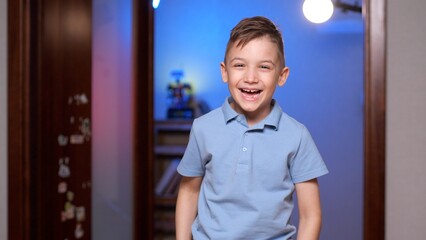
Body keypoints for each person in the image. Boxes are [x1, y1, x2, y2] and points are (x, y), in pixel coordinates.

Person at [175, 16, 329, 240]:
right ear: (224, 71)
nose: (250, 78)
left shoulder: (297, 136)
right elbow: (189, 191)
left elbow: (310, 214)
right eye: (239, 65)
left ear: (282, 76)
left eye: (264, 67)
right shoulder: (203, 128)